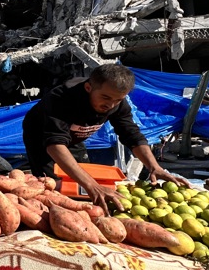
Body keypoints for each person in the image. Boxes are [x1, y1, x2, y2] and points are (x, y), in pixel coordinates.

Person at [22, 63, 189, 212]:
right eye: (106, 98)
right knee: (54, 185)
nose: (110, 105)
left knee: (81, 181)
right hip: (42, 137)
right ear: (88, 88)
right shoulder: (61, 99)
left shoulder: (117, 103)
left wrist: (154, 167)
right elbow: (54, 144)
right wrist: (92, 185)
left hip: (73, 137)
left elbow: (131, 135)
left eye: (118, 100)